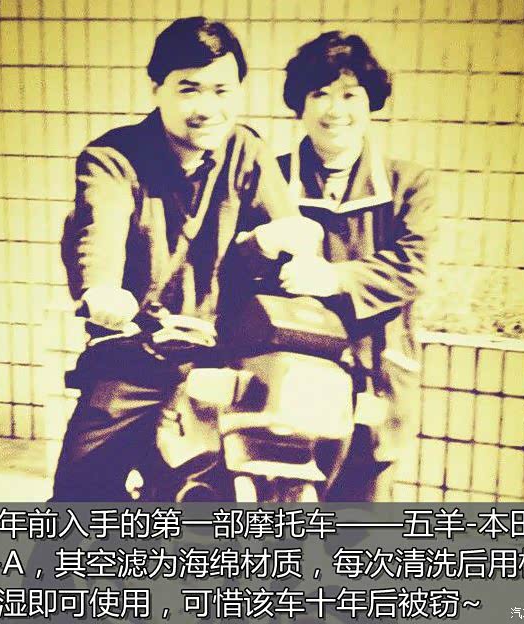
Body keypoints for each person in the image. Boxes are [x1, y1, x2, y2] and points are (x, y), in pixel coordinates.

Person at [53, 17, 319, 501]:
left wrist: (286, 245)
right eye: (189, 89)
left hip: (223, 360)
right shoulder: (112, 157)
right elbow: (99, 228)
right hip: (134, 354)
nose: (207, 108)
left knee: (245, 492)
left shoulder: (247, 151)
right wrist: (103, 288)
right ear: (156, 88)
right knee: (80, 494)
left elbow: (284, 234)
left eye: (222, 90)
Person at [277, 32, 437, 501]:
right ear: (300, 104)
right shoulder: (270, 177)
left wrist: (334, 277)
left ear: (370, 103)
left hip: (376, 372)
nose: (335, 110)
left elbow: (412, 266)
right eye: (319, 93)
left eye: (350, 95)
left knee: (364, 519)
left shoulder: (409, 184)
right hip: (289, 373)